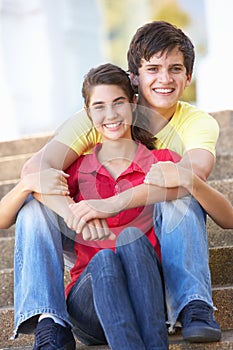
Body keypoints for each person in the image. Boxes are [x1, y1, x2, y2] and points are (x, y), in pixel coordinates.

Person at [12, 20, 231, 345]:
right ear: (135, 78)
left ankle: (193, 304)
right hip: (89, 238)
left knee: (182, 194)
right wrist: (77, 213)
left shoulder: (195, 122)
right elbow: (35, 170)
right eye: (153, 69)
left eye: (175, 69)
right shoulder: (109, 112)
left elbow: (191, 176)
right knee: (32, 209)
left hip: (151, 237)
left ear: (188, 77)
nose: (164, 79)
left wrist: (109, 203)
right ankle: (50, 320)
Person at [1, 63, 182, 349]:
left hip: (147, 292)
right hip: (89, 305)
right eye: (99, 106)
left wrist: (110, 205)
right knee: (103, 260)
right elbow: (9, 213)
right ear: (88, 114)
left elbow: (188, 187)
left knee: (131, 241)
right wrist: (74, 213)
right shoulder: (78, 169)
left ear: (134, 105)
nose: (110, 114)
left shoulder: (163, 160)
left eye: (118, 103)